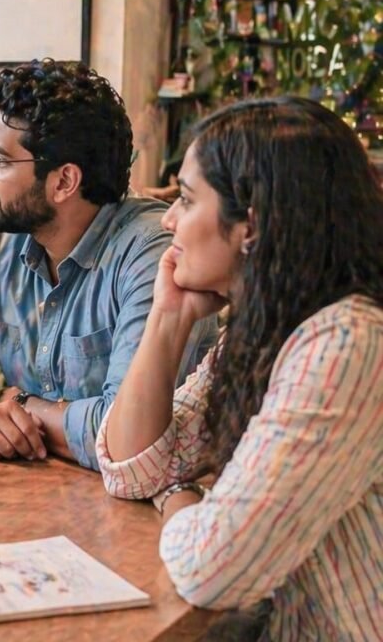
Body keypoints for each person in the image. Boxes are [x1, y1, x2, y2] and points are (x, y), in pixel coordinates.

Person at [97, 97, 383, 640]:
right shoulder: (264, 327)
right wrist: (167, 318)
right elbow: (133, 470)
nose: (169, 218)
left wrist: (183, 498)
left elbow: (212, 570)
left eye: (185, 198)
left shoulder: (345, 345)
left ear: (249, 223)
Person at [0, 59, 216, 470]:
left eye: (1, 161)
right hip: (39, 505)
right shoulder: (1, 242)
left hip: (143, 517)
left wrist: (23, 406)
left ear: (64, 181)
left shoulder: (151, 255)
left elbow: (126, 439)